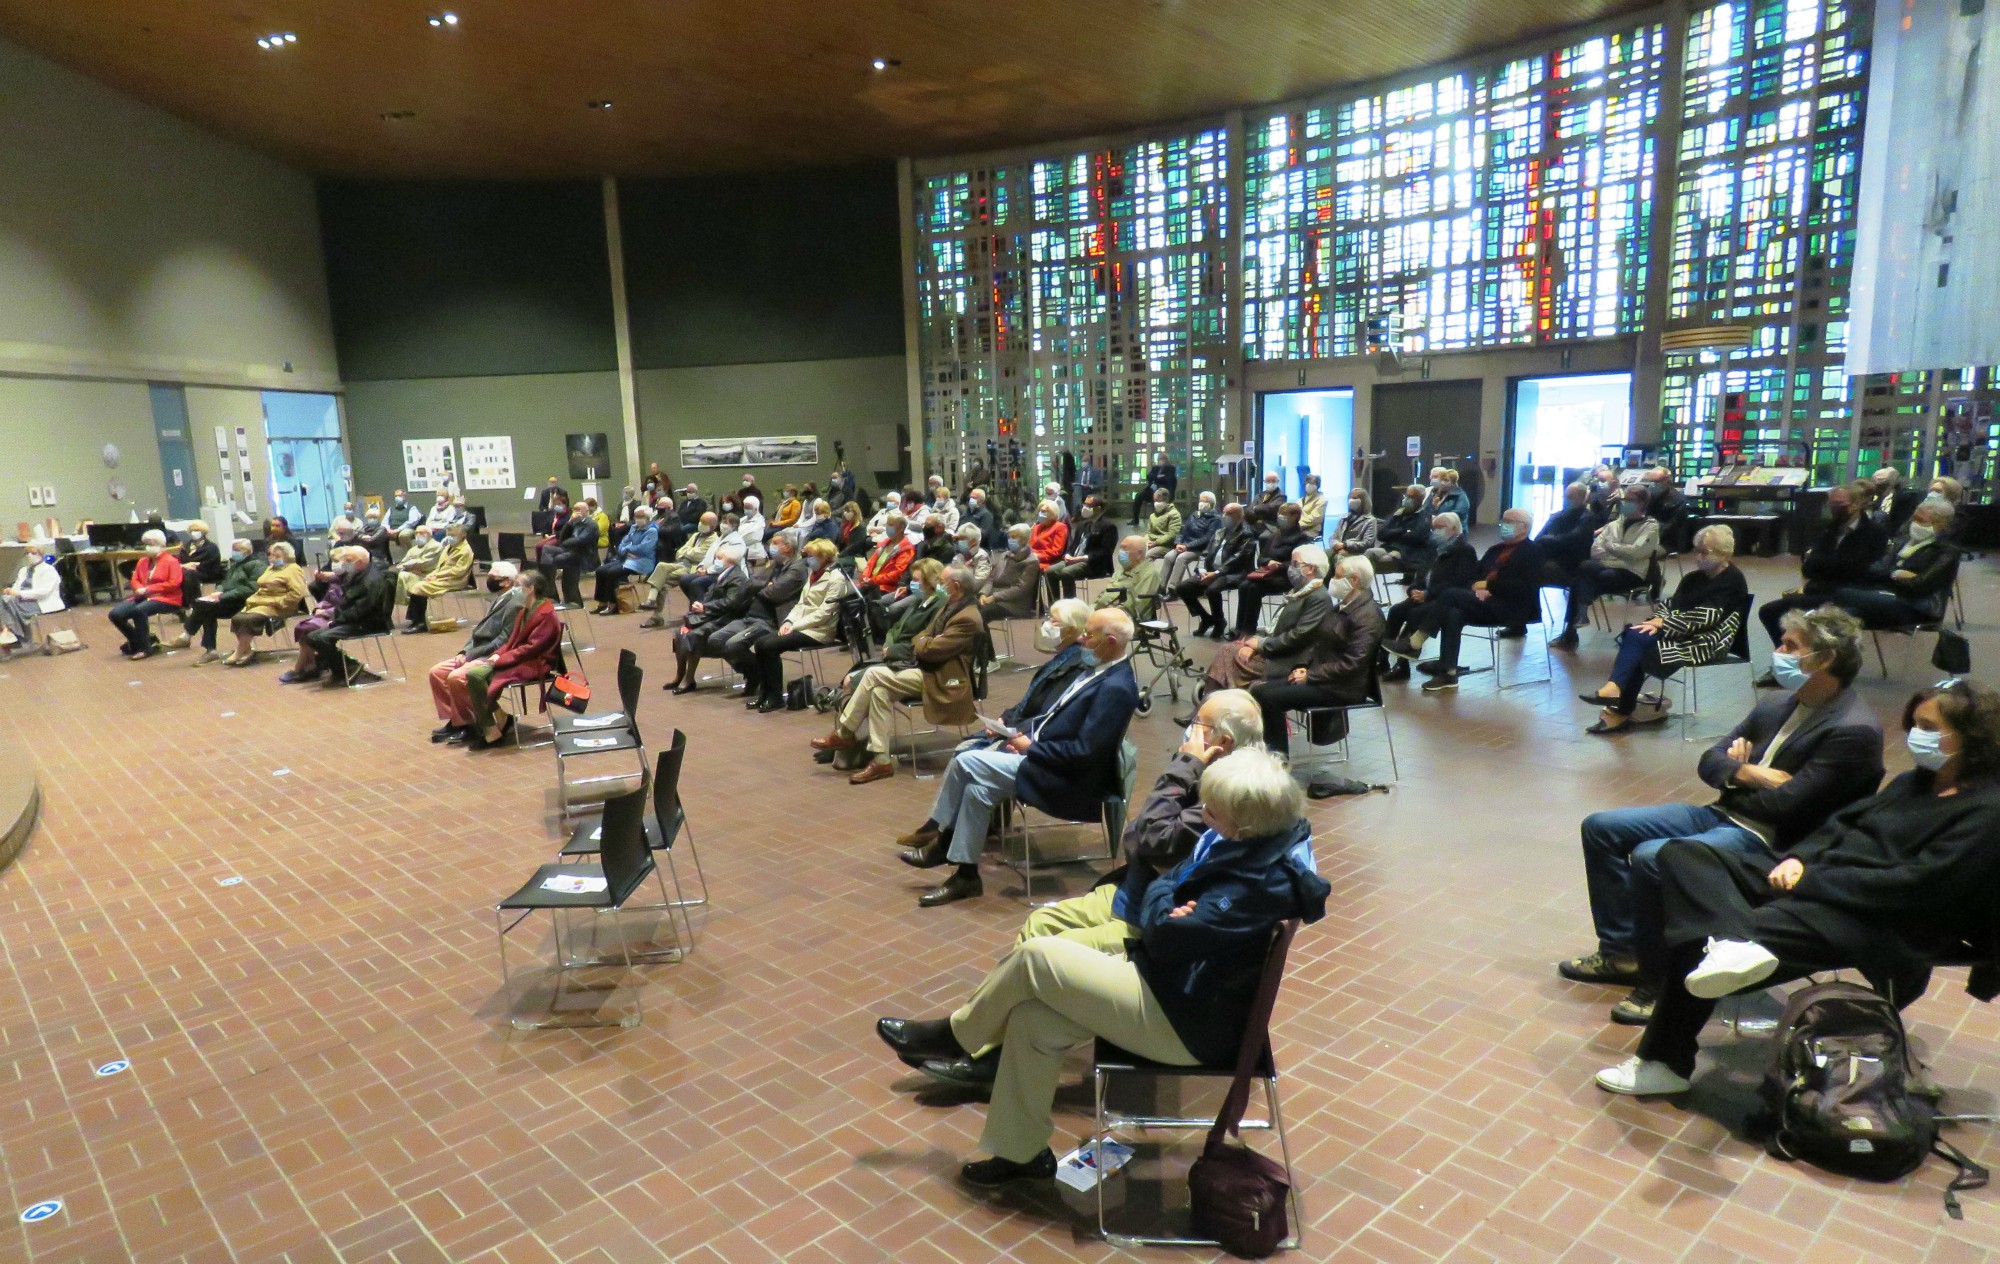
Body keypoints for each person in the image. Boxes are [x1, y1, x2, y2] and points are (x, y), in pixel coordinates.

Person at [875, 747, 1330, 1186]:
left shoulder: (1256, 883)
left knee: (1036, 957)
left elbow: (1163, 933)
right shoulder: (1245, 846)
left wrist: (1164, 899)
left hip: (1185, 1024)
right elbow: (1166, 883)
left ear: (1246, 824)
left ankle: (958, 1036)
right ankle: (1021, 1153)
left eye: (1213, 810)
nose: (1204, 812)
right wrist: (1169, 898)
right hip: (1169, 987)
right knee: (1033, 1022)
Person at [1595, 680, 2000, 1098]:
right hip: (1820, 884)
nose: (1916, 735)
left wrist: (1813, 880)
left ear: (1970, 737)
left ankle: (1666, 1060)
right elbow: (1842, 824)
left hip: (1882, 916)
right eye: (1914, 723)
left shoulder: (1987, 811)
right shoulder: (1916, 782)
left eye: (1928, 727)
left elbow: (1919, 887)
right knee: (1686, 856)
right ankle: (1734, 941)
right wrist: (1799, 859)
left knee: (1697, 940)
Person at [1562, 604, 1883, 1025]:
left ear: (1826, 659)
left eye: (1791, 645)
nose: (1779, 651)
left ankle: (1660, 984)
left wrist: (1733, 777)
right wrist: (1747, 774)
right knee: (1601, 828)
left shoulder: (1853, 730)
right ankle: (1622, 954)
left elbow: (1787, 806)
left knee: (1653, 857)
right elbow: (1708, 760)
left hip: (1771, 842)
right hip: (1723, 814)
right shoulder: (1777, 702)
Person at [891, 607, 1140, 905]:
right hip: (1044, 755)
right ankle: (967, 876)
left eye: (1089, 634)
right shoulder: (1098, 668)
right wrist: (1018, 734)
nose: (1082, 640)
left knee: (965, 761)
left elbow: (1085, 753)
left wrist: (1030, 747)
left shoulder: (1117, 687)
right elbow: (1051, 716)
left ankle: (942, 841)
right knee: (977, 790)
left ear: (1111, 642)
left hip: (1066, 777)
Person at [1577, 525, 1751, 733]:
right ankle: (1616, 696)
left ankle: (1618, 704)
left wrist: (1664, 624)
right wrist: (1656, 621)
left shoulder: (1733, 580)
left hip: (1708, 640)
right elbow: (1670, 605)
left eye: (1704, 552)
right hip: (1680, 632)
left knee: (1639, 647)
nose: (1698, 556)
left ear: (1723, 554)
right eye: (1697, 550)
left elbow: (1709, 617)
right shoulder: (1693, 579)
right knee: (1637, 634)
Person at [809, 559, 955, 784]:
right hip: (900, 658)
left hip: (924, 668)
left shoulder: (941, 605)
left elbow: (925, 643)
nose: (911, 584)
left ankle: (845, 733)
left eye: (916, 580)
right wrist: (889, 644)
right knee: (878, 692)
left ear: (930, 582)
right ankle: (881, 760)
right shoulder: (920, 601)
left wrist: (892, 649)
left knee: (869, 676)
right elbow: (896, 629)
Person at [1385, 507, 1545, 693]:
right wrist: (1477, 587)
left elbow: (1526, 587)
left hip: (1511, 607)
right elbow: (1472, 577)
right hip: (1483, 603)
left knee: (1450, 595)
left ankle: (1417, 640)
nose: (1503, 525)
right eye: (1503, 521)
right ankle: (1448, 672)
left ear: (1524, 527)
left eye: (1509, 522)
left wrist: (1489, 587)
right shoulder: (1495, 550)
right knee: (1453, 613)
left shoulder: (1533, 551)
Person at [1247, 553, 1384, 757]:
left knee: (1269, 697)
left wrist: (1310, 675)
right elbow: (1320, 643)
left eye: (1337, 576)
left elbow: (1353, 664)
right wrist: (1304, 666)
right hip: (1324, 677)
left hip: (1343, 687)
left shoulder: (1368, 617)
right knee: (1260, 691)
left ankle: (1278, 760)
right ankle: (1270, 754)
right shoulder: (1345, 605)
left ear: (1354, 580)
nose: (1332, 581)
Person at [1754, 480, 1891, 667]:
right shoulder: (1829, 529)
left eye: (1840, 505)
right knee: (1769, 611)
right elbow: (1809, 567)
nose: (1834, 509)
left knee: (1809, 617)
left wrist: (1827, 563)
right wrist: (1834, 563)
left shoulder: (1874, 533)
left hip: (1851, 594)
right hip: (1822, 590)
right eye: (1832, 504)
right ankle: (1790, 660)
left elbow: (1858, 570)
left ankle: (1812, 664)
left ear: (1856, 504)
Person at [740, 538, 851, 712]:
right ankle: (764, 694)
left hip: (819, 630)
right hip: (800, 625)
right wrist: (789, 621)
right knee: (761, 643)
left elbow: (825, 613)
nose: (808, 559)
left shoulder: (836, 579)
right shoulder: (813, 575)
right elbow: (800, 604)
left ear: (824, 557)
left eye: (812, 556)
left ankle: (775, 697)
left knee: (770, 646)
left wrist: (796, 626)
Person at [427, 561, 529, 743]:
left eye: (492, 577)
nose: (488, 580)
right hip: (476, 650)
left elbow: (503, 640)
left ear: (506, 581)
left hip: (494, 655)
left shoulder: (515, 603)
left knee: (456, 677)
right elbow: (478, 631)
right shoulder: (499, 597)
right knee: (437, 672)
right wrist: (464, 651)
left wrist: (471, 655)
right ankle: (458, 721)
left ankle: (466, 724)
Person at [462, 571, 564, 750]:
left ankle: (491, 730)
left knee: (477, 676)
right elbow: (512, 641)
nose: (515, 589)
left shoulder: (546, 614)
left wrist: (501, 660)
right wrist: (498, 654)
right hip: (519, 658)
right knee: (475, 675)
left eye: (519, 586)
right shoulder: (525, 608)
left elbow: (531, 648)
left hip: (534, 663)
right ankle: (498, 721)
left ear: (530, 589)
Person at [1823, 498, 1959, 629]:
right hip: (1887, 595)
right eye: (1914, 518)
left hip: (1918, 607)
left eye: (1921, 520)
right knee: (1841, 615)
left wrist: (1889, 576)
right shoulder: (1903, 541)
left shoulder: (1947, 552)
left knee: (1842, 594)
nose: (1914, 523)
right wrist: (1896, 574)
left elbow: (1919, 586)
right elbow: (1876, 569)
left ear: (1940, 524)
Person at [1556, 484, 1660, 645]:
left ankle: (1573, 628)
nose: (1625, 503)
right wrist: (1620, 553)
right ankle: (1579, 616)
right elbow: (1595, 550)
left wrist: (1610, 547)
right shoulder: (1614, 524)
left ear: (1642, 503)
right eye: (1624, 499)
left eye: (1630, 500)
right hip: (1608, 570)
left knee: (1582, 581)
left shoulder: (1651, 527)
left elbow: (1636, 553)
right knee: (1585, 566)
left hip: (1633, 573)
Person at [1378, 511, 1474, 683]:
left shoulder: (1465, 551)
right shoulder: (1435, 549)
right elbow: (1422, 574)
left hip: (1443, 599)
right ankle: (1382, 657)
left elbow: (1458, 581)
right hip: (1424, 594)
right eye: (1433, 528)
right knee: (1396, 611)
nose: (1434, 533)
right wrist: (1414, 590)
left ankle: (1403, 662)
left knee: (1416, 614)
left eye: (1439, 528)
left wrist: (1428, 594)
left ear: (1453, 529)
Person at [666, 541, 756, 694]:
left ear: (731, 560)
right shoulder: (723, 575)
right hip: (712, 615)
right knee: (678, 633)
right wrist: (700, 606)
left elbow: (731, 603)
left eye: (719, 557)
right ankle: (680, 674)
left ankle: (689, 678)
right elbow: (708, 596)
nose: (716, 560)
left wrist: (705, 607)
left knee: (693, 634)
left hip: (727, 619)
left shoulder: (738, 578)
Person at [301, 546, 392, 687]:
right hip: (354, 619)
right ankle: (348, 666)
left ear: (360, 562)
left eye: (348, 560)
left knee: (321, 638)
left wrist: (335, 620)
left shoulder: (371, 581)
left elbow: (360, 611)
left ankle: (346, 669)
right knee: (312, 636)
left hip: (368, 622)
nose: (344, 563)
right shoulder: (358, 573)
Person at [1176, 502, 1257, 640]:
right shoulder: (1220, 531)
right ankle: (1206, 618)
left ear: (1239, 516)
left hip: (1234, 573)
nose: (1224, 516)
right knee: (1183, 587)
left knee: (1212, 590)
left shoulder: (1247, 534)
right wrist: (1202, 570)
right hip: (1212, 571)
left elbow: (1238, 558)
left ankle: (1219, 622)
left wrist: (1217, 573)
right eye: (1224, 512)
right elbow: (1207, 553)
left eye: (1229, 514)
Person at [222, 542, 310, 666]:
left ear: (287, 556)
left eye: (277, 556)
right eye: (271, 555)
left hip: (280, 605)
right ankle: (247, 650)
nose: (272, 558)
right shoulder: (271, 568)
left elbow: (297, 593)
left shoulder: (293, 569)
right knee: (238, 618)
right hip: (261, 603)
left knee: (250, 619)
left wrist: (278, 602)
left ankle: (239, 651)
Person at [182, 538, 267, 664]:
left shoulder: (257, 565)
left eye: (236, 550)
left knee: (206, 607)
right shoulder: (234, 565)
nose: (233, 553)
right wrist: (219, 591)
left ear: (247, 551)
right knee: (206, 607)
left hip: (244, 602)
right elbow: (224, 582)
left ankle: (189, 635)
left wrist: (223, 596)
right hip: (230, 600)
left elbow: (251, 589)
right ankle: (209, 649)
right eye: (233, 550)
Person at [1232, 502, 1310, 636]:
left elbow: (1300, 563)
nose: (1280, 517)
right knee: (1244, 585)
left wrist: (1279, 565)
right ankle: (1240, 627)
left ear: (1295, 517)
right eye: (1279, 514)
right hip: (1268, 573)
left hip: (1287, 576)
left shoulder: (1302, 538)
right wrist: (1269, 562)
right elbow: (1261, 558)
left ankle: (1248, 629)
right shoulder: (1274, 535)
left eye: (1284, 515)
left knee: (1253, 588)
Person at [107, 530, 184, 659]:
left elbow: (174, 583)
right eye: (146, 544)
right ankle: (138, 641)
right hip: (142, 596)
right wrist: (138, 588)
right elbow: (135, 578)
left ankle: (145, 648)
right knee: (115, 614)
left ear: (160, 544)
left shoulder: (171, 561)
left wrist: (149, 589)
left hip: (166, 597)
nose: (147, 547)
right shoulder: (143, 561)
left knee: (139, 611)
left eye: (151, 544)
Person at [640, 511, 718, 624]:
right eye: (700, 521)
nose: (701, 524)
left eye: (704, 523)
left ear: (713, 526)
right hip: (681, 563)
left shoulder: (714, 539)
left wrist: (686, 552)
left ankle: (656, 615)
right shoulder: (696, 535)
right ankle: (651, 600)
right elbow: (680, 551)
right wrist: (687, 552)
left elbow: (699, 555)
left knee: (660, 580)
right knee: (661, 566)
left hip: (694, 568)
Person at [401, 522, 475, 628]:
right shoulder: (448, 547)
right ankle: (416, 620)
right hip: (443, 577)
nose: (450, 537)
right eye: (448, 535)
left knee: (419, 587)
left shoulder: (465, 550)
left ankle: (420, 623)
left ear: (463, 535)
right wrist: (431, 575)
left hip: (456, 580)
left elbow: (459, 571)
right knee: (418, 585)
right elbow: (439, 566)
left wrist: (437, 576)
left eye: (453, 535)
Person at [1042, 495, 1115, 601]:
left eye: (1088, 505)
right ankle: (1054, 605)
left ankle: (1071, 606)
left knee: (1066, 572)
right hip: (1074, 559)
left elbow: (1105, 552)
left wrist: (1080, 559)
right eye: (1084, 504)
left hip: (1092, 563)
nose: (1084, 507)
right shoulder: (1082, 525)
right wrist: (1068, 554)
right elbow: (1073, 546)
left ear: (1098, 508)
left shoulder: (1108, 527)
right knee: (1050, 571)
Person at [590, 505, 658, 615]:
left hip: (643, 561)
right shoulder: (634, 527)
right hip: (628, 558)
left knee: (611, 573)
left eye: (641, 516)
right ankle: (602, 602)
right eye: (636, 516)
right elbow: (622, 543)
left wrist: (628, 549)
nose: (638, 518)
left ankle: (613, 605)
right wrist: (627, 550)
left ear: (648, 517)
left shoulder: (652, 531)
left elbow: (645, 548)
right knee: (601, 570)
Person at [1, 543, 63, 655]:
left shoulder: (48, 570)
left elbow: (43, 592)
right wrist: (10, 591)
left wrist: (19, 594)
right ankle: (10, 632)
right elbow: (17, 586)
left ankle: (9, 632)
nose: (30, 555)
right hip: (22, 601)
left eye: (33, 553)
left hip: (41, 603)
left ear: (41, 554)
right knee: (4, 600)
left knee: (10, 604)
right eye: (27, 553)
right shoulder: (24, 570)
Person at [1159, 490, 1223, 590]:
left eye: (1205, 501)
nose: (1202, 503)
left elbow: (1207, 538)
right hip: (1183, 546)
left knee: (1181, 558)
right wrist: (1178, 543)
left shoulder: (1216, 519)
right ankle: (1161, 587)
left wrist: (1187, 546)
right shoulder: (1194, 515)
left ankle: (1173, 589)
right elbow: (1183, 530)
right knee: (1168, 556)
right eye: (1200, 501)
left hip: (1199, 549)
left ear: (1212, 504)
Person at [1366, 484, 1433, 578]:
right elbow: (1381, 535)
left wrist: (1394, 534)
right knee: (1369, 553)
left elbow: (1416, 537)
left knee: (1377, 562)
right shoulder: (1399, 513)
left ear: (1420, 499)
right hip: (1389, 549)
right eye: (1406, 496)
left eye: (1410, 497)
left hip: (1407, 557)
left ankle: (1362, 586)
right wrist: (1403, 530)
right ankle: (1362, 588)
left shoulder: (1424, 516)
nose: (1406, 499)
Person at [539, 503, 600, 609]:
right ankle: (550, 587)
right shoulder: (575, 522)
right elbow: (561, 538)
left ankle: (556, 590)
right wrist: (569, 523)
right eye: (575, 509)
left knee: (558, 559)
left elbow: (581, 540)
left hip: (584, 555)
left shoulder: (591, 524)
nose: (576, 512)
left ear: (586, 511)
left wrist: (565, 543)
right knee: (546, 549)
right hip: (570, 550)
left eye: (579, 509)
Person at [981, 524, 1042, 623]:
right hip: (993, 597)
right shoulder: (1004, 555)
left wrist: (994, 597)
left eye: (1013, 537)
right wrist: (983, 593)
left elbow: (1021, 589)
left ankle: (980, 639)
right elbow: (991, 578)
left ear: (1023, 539)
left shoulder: (1031, 561)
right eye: (1009, 537)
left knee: (982, 613)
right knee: (968, 608)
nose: (1010, 540)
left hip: (1014, 604)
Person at [1094, 535, 1162, 622]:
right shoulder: (1121, 569)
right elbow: (1105, 594)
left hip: (1125, 621)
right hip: (1104, 612)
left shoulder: (1150, 574)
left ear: (1139, 554)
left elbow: (1135, 606)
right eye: (1120, 548)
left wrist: (1104, 615)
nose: (1120, 552)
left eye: (1125, 549)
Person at [391, 524, 445, 623]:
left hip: (430, 575)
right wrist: (411, 565)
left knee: (404, 577)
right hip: (415, 574)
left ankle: (408, 605)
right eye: (416, 533)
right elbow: (401, 564)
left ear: (429, 534)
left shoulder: (436, 546)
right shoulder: (413, 549)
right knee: (391, 579)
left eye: (421, 533)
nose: (418, 535)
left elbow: (425, 563)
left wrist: (410, 565)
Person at [168, 521, 223, 613]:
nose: (194, 533)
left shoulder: (211, 547)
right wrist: (185, 565)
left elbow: (210, 564)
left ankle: (191, 604)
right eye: (192, 530)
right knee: (182, 574)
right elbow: (178, 561)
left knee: (188, 574)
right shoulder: (185, 546)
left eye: (197, 530)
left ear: (203, 532)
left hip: (207, 573)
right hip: (186, 572)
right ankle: (180, 604)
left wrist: (195, 565)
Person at [1871, 467, 1924, 536]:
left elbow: (1902, 521)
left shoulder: (1905, 497)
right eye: (1874, 480)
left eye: (1880, 479)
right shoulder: (1875, 497)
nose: (1876, 483)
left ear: (1891, 481)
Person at [1330, 488, 1378, 558]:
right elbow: (1333, 537)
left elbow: (1367, 543)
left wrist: (1345, 545)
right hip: (1339, 550)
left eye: (1355, 498)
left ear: (1363, 500)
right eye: (1350, 498)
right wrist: (1335, 545)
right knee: (1324, 555)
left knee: (1340, 558)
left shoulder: (1370, 520)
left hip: (1357, 552)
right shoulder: (1344, 518)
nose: (1351, 500)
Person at [1141, 489, 1183, 559]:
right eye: (1155, 501)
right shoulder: (1153, 515)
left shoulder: (1174, 514)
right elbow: (1149, 532)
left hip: (1167, 546)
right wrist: (1145, 541)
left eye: (1158, 501)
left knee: (1147, 555)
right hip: (1153, 542)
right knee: (1136, 550)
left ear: (1166, 500)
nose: (1156, 503)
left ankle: (1144, 569)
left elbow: (1172, 534)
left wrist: (1155, 543)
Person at [1028, 499, 1068, 570]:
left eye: (1043, 511)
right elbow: (1030, 545)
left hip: (1048, 561)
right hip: (1031, 558)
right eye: (1040, 511)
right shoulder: (1037, 527)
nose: (1040, 513)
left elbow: (1056, 551)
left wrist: (1038, 556)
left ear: (1052, 513)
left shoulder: (1060, 527)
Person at [1297, 474, 1328, 540]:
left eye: (1311, 483)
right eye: (1307, 482)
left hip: (1311, 531)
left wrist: (1297, 526)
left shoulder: (1322, 500)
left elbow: (1315, 518)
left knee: (1290, 539)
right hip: (1297, 529)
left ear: (1317, 485)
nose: (1308, 485)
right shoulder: (1299, 501)